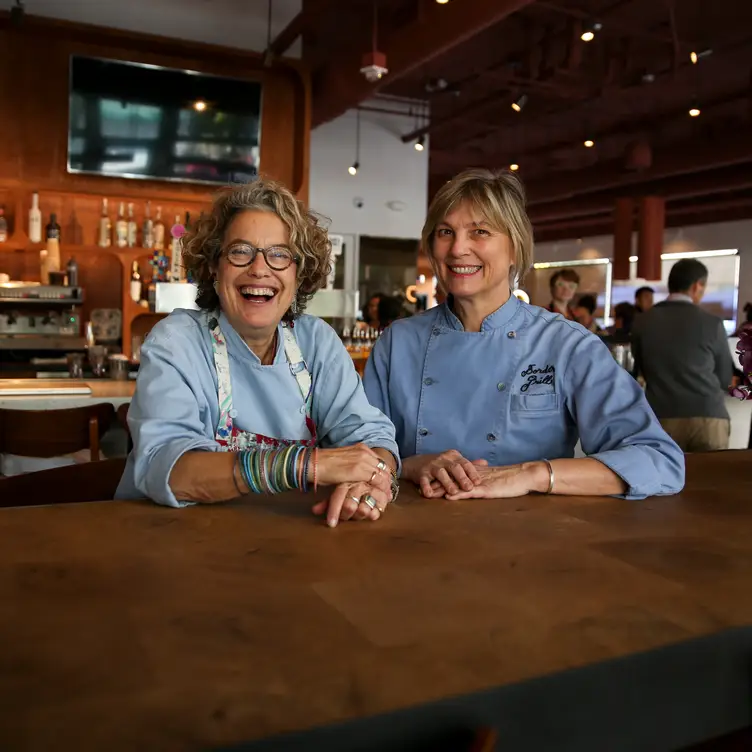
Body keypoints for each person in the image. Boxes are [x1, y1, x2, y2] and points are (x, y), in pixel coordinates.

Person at [363, 167, 684, 501]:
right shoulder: (397, 343)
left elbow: (659, 460)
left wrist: (532, 474)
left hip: (529, 537)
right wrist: (412, 465)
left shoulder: (567, 345)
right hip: (411, 535)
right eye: (445, 232)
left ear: (516, 247)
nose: (458, 248)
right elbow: (358, 455)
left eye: (480, 232)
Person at [116, 178, 399, 527]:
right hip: (172, 542)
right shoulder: (177, 342)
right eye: (240, 251)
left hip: (287, 539)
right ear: (213, 268)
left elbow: (372, 437)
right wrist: (303, 465)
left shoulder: (317, 342)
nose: (260, 268)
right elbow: (168, 468)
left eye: (279, 254)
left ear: (299, 273)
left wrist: (373, 482)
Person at [632, 258, 735, 452]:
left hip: (661, 416)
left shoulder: (643, 322)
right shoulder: (712, 323)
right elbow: (724, 379)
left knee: (664, 481)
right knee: (712, 480)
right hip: (708, 417)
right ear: (697, 286)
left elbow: (640, 370)